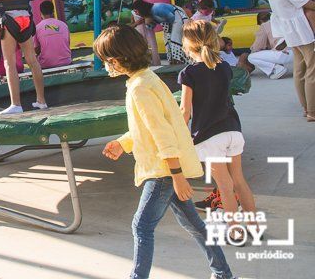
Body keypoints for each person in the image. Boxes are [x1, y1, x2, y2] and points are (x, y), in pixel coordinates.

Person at [95, 26, 234, 279]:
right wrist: (123, 143)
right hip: (167, 167)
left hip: (163, 170)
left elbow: (163, 134)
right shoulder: (147, 78)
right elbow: (150, 127)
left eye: (106, 60)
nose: (106, 65)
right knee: (194, 224)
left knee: (142, 226)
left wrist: (177, 175)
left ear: (115, 60)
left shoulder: (139, 88)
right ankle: (223, 273)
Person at [180, 20, 257, 223]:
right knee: (239, 181)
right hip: (233, 130)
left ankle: (235, 229)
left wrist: (180, 136)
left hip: (209, 135)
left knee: (224, 185)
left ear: (187, 45)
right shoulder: (224, 67)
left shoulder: (188, 73)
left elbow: (185, 111)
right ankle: (254, 225)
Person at [262, 0, 315, 120]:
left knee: (299, 70)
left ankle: (306, 108)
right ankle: (312, 111)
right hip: (301, 31)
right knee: (312, 70)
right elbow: (310, 5)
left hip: (290, 33)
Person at [131, 0, 190, 64]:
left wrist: (169, 31)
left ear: (141, 9)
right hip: (169, 24)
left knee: (174, 40)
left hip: (177, 18)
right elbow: (152, 27)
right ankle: (173, 63)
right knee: (168, 43)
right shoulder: (149, 14)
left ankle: (181, 62)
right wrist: (148, 23)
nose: (135, 13)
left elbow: (172, 18)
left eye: (136, 11)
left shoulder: (157, 8)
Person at [241, 12, 292, 78]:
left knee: (251, 57)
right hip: (295, 52)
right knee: (272, 50)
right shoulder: (280, 21)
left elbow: (257, 46)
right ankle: (278, 65)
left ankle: (277, 68)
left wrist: (251, 52)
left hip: (282, 53)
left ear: (261, 21)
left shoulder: (264, 25)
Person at [34, 1, 71, 69]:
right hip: (66, 61)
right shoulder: (63, 25)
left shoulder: (37, 28)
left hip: (46, 64)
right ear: (53, 11)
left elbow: (36, 49)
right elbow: (67, 43)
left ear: (41, 13)